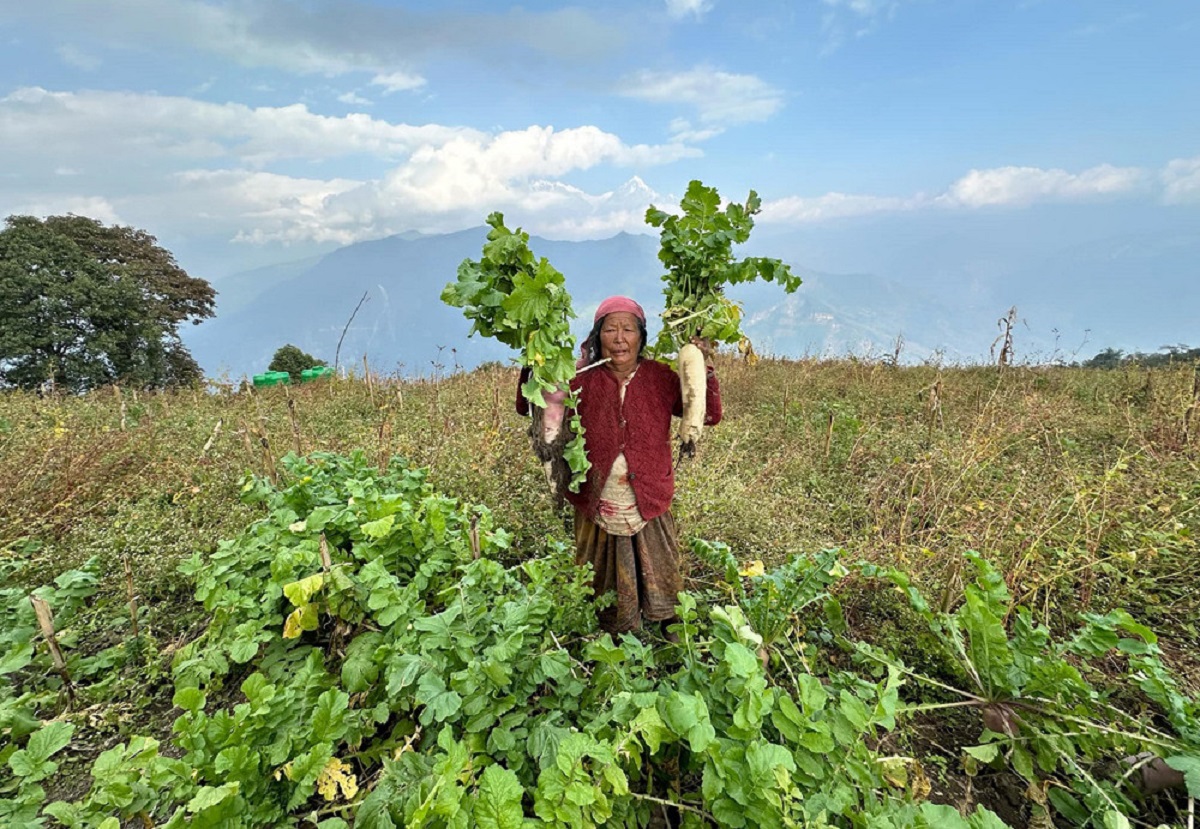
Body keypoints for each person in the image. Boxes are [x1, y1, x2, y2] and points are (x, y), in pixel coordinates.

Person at [517, 296, 722, 635]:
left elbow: (709, 415)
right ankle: (608, 635)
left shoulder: (660, 376)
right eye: (610, 329)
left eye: (628, 329)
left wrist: (703, 365)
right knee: (599, 582)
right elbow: (530, 407)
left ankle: (666, 635)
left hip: (649, 497)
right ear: (597, 337)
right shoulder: (580, 378)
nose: (619, 338)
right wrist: (535, 366)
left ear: (641, 336)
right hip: (595, 497)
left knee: (659, 574)